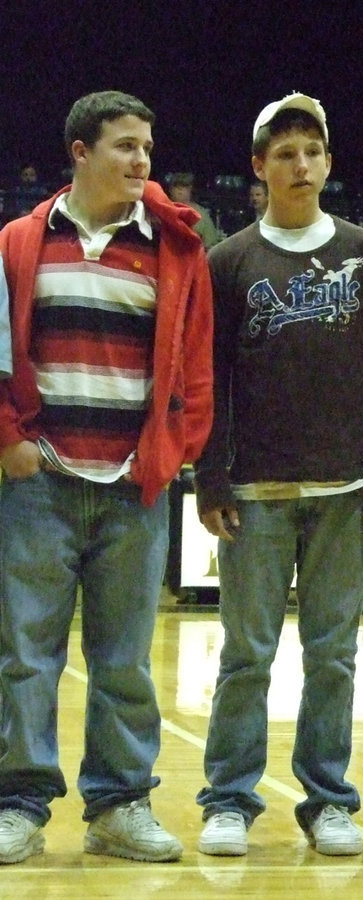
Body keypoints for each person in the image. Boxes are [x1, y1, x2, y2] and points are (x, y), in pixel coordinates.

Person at [0, 90, 214, 865]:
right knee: (26, 654)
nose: (141, 161)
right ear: (80, 152)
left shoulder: (176, 249)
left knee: (125, 659)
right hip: (39, 485)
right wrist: (9, 445)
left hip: (133, 487)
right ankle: (19, 804)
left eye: (147, 148)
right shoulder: (19, 242)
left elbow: (196, 362)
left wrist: (176, 450)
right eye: (124, 145)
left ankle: (119, 805)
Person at [192, 93, 363, 858]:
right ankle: (228, 799)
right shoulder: (230, 261)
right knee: (246, 653)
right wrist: (209, 477)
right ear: (259, 168)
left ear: (328, 162)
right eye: (284, 154)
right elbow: (208, 374)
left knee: (334, 654)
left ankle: (329, 800)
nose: (301, 165)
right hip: (254, 491)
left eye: (312, 151)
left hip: (344, 490)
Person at [165, 171, 224, 249]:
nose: (180, 190)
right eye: (176, 186)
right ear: (170, 189)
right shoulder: (163, 210)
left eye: (184, 186)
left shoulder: (201, 214)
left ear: (190, 189)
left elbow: (210, 244)